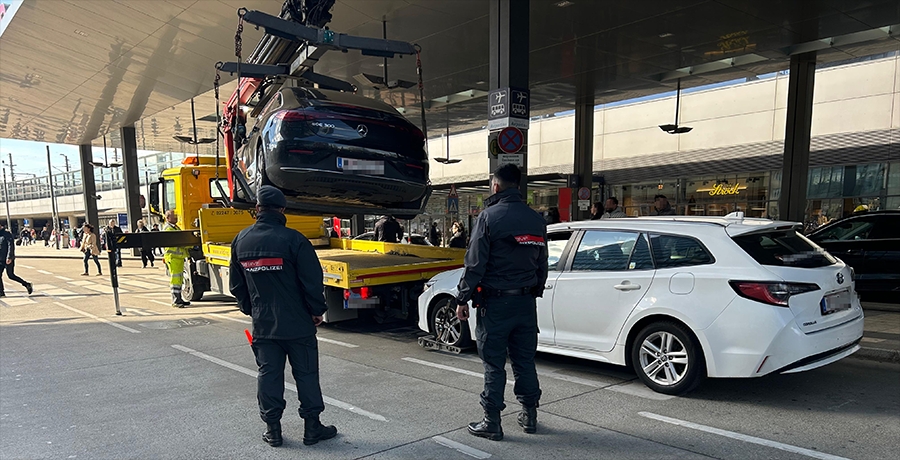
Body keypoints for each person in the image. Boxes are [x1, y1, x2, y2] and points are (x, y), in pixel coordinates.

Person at [230, 185, 337, 448]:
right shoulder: (294, 240)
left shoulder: (241, 240)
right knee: (307, 374)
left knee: (268, 375)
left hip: (264, 326)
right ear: (283, 210)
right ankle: (312, 428)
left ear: (257, 210)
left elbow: (236, 285)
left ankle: (273, 430)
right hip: (298, 324)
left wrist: (251, 309)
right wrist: (316, 310)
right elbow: (311, 280)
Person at [455, 164, 549, 441]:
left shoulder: (488, 217)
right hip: (525, 303)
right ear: (517, 185)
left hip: (495, 304)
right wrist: (535, 291)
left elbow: (475, 264)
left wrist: (462, 297)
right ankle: (529, 415)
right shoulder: (536, 220)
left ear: (496, 186)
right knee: (525, 361)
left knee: (494, 364)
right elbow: (542, 264)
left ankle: (492, 421)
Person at [163, 210, 190, 308]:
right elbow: (180, 241)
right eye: (174, 216)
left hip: (178, 258)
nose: (176, 218)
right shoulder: (169, 229)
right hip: (173, 258)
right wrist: (190, 246)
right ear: (168, 218)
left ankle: (179, 299)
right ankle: (176, 300)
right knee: (175, 280)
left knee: (179, 279)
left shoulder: (174, 227)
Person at [0, 222, 34, 297]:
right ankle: (1, 292)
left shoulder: (7, 234)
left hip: (8, 259)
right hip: (0, 259)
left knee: (11, 275)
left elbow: (10, 246)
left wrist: (9, 257)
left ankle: (27, 284)